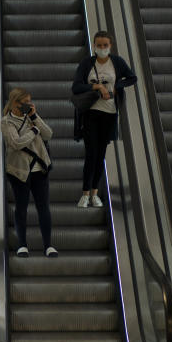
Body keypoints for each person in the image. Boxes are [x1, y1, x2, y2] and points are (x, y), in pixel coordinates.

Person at [71, 30, 137, 208]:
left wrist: (117, 87)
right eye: (98, 45)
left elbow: (132, 78)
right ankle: (85, 194)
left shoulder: (117, 62)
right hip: (91, 113)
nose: (102, 48)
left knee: (100, 155)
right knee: (91, 153)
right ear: (94, 46)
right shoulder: (87, 63)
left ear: (110, 46)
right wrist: (96, 87)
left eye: (105, 45)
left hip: (109, 114)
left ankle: (95, 194)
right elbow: (76, 87)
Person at [2, 87, 57, 258]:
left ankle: (48, 245)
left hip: (39, 169)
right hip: (18, 171)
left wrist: (35, 118)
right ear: (13, 103)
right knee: (21, 207)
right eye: (23, 103)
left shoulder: (32, 118)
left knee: (43, 207)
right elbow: (16, 143)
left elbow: (48, 134)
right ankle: (22, 245)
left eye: (28, 102)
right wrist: (34, 131)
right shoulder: (6, 122)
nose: (27, 105)